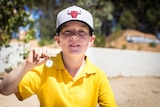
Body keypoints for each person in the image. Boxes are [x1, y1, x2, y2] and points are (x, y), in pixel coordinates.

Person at [0, 5, 117, 107]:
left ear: (91, 40)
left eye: (82, 32)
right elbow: (4, 90)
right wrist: (25, 65)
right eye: (67, 31)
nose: (74, 36)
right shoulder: (44, 69)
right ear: (58, 40)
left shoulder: (98, 76)